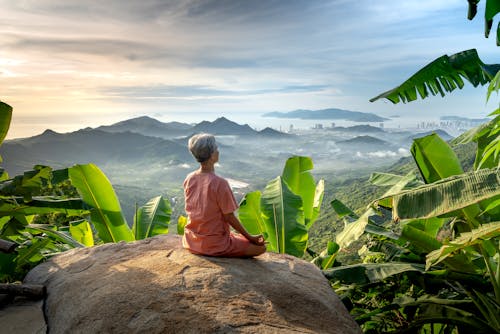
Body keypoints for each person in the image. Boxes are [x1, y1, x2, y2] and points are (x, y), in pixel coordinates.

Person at [182, 133, 266, 257]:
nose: (218, 151)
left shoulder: (190, 178)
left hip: (191, 240)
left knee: (237, 238)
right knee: (261, 249)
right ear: (211, 156)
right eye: (216, 149)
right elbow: (229, 217)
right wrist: (250, 237)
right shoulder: (220, 183)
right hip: (214, 244)